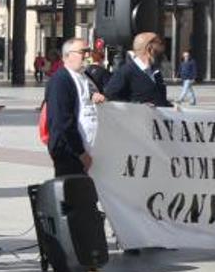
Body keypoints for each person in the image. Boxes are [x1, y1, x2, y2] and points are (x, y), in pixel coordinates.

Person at [45, 38, 106, 177]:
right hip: (71, 155)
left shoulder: (87, 76)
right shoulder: (60, 80)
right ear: (67, 56)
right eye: (82, 52)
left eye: (88, 52)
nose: (87, 55)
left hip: (92, 152)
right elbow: (62, 122)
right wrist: (80, 153)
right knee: (74, 195)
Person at [103, 32, 171, 107]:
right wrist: (138, 107)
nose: (163, 49)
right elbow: (109, 99)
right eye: (160, 44)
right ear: (150, 49)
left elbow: (159, 99)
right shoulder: (126, 72)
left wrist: (171, 107)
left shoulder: (156, 74)